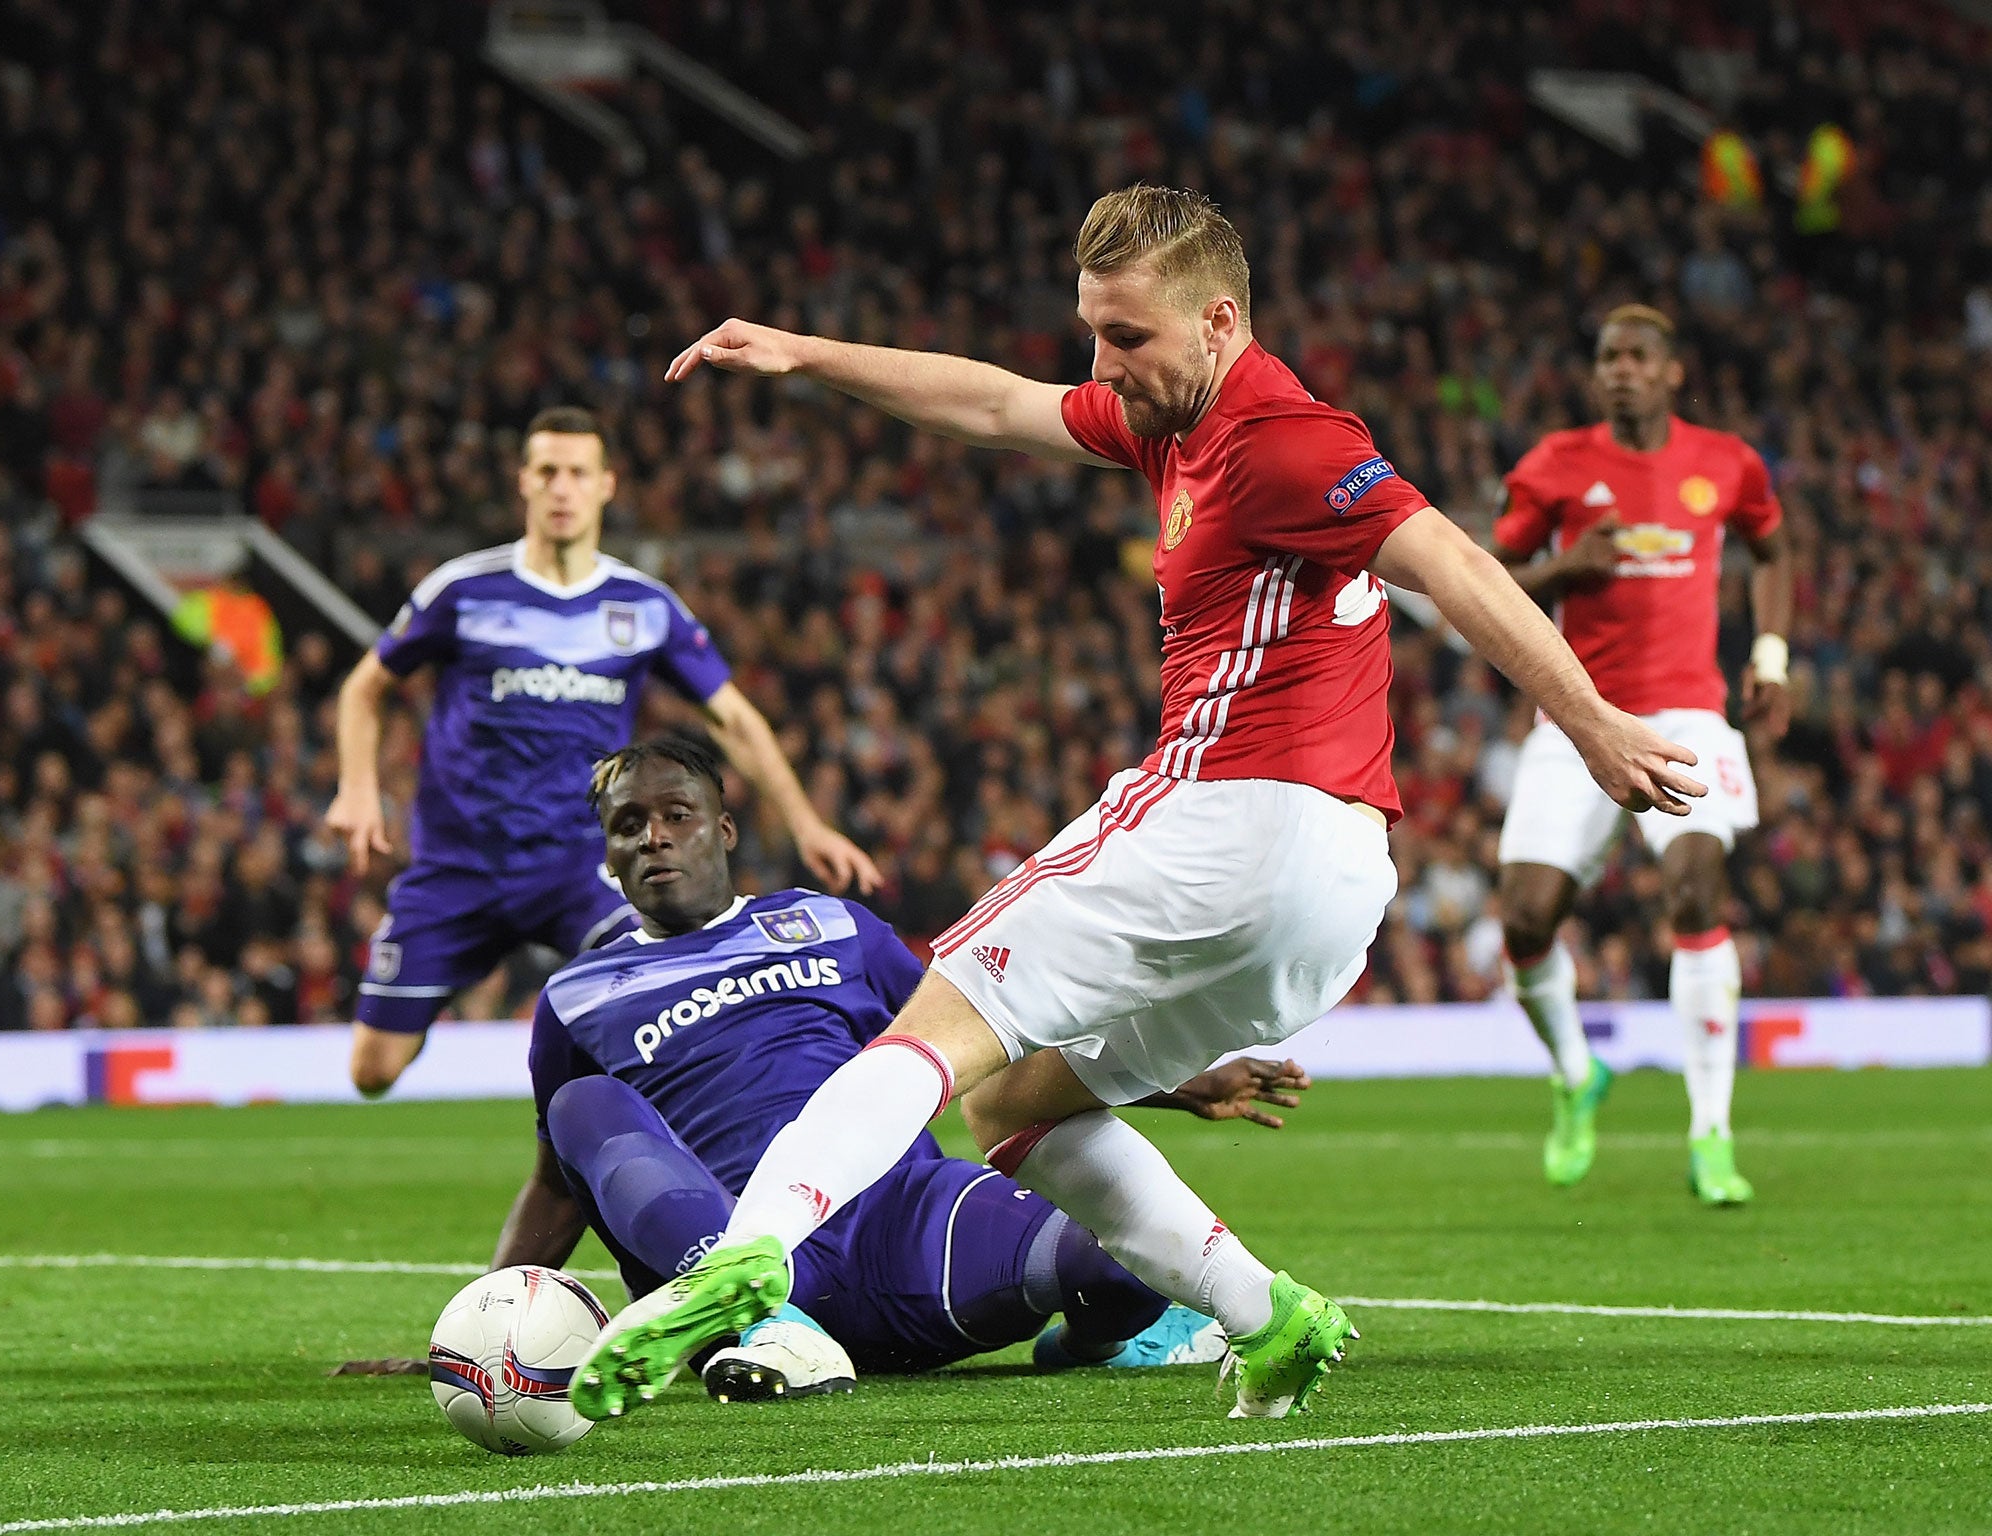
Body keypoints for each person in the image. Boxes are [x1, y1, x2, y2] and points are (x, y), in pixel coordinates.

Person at [576, 185, 1703, 1422]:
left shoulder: (1285, 439)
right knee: (1014, 1101)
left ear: (1219, 321)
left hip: (1229, 812)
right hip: (1331, 898)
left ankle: (753, 1254)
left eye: (1128, 338)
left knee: (936, 1022)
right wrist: (802, 352)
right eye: (1092, 332)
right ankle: (1267, 1320)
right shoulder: (1172, 420)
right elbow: (996, 405)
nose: (1101, 364)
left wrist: (1588, 720)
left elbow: (1448, 559)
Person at [530, 735, 1310, 1403]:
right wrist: (497, 1311)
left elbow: (991, 1034)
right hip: (740, 1237)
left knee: (1122, 1259)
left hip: (908, 1226)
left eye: (676, 815)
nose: (653, 838)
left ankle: (1100, 1341)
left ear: (725, 830)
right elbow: (561, 1182)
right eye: (628, 825)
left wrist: (1176, 1084)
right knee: (581, 1104)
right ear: (607, 854)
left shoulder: (830, 924)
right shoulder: (577, 995)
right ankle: (765, 1324)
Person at [323, 405, 878, 1270]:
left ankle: (698, 1212)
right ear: (523, 482)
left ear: (608, 486)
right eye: (546, 471)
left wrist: (806, 821)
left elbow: (733, 716)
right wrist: (359, 788)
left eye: (579, 472)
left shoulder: (641, 606)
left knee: (654, 1018)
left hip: (582, 872)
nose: (562, 488)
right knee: (372, 1069)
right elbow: (365, 686)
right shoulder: (463, 591)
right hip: (457, 871)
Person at [1492, 304, 1791, 1204]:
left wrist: (1771, 655)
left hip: (1690, 715)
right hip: (1579, 713)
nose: (1619, 369)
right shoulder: (1554, 465)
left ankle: (1711, 1133)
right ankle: (1577, 1073)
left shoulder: (1726, 463)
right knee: (1525, 921)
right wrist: (1559, 571)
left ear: (1671, 373)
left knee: (1697, 888)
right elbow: (1480, 576)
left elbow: (1774, 552)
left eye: (1636, 357)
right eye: (1607, 357)